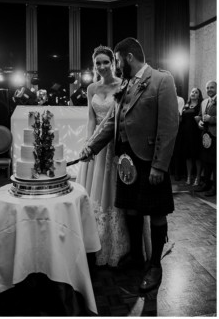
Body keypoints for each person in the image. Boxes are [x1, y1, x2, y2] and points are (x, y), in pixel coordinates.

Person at [82, 37, 178, 292]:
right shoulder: (125, 85)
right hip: (125, 162)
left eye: (116, 59)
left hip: (149, 162)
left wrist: (159, 166)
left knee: (156, 212)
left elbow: (169, 126)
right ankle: (136, 256)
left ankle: (155, 265)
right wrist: (91, 147)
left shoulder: (161, 79)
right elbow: (112, 120)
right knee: (132, 210)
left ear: (128, 57)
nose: (115, 65)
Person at [77, 45, 145, 267]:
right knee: (95, 194)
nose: (102, 66)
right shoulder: (91, 88)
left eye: (106, 62)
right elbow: (90, 118)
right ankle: (92, 244)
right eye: (98, 63)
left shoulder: (122, 85)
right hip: (96, 144)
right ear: (94, 65)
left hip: (115, 144)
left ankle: (121, 247)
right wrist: (89, 142)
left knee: (116, 192)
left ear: (113, 63)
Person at [178, 88, 203, 186]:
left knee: (197, 157)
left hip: (196, 134)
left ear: (199, 95)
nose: (193, 93)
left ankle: (198, 178)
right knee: (187, 156)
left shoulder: (200, 106)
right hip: (185, 135)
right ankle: (189, 177)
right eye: (192, 92)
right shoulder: (186, 106)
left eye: (196, 92)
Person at [196, 81, 216, 196]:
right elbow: (200, 115)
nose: (209, 89)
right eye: (207, 88)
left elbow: (210, 118)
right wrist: (199, 122)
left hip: (215, 136)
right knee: (205, 161)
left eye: (212, 87)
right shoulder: (204, 102)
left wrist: (211, 119)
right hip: (205, 136)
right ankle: (206, 184)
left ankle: (214, 188)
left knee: (214, 163)